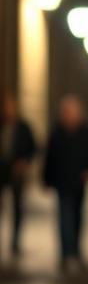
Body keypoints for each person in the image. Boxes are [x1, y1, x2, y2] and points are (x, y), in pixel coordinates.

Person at [42, 94, 88, 274]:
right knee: (64, 218)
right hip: (62, 183)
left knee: (77, 218)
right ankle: (66, 254)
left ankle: (76, 251)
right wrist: (46, 180)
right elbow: (49, 158)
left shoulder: (86, 132)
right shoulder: (57, 132)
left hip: (79, 184)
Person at [0, 93, 37, 262]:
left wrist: (24, 162)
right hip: (2, 171)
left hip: (16, 172)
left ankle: (15, 241)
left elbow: (33, 148)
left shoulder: (24, 127)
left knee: (17, 207)